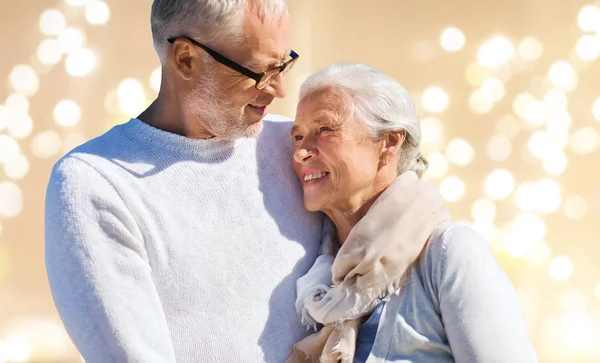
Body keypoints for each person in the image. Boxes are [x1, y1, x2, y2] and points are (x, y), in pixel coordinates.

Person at [45, 1, 423, 362]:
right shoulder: (96, 183)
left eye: (284, 64)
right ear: (186, 59)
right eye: (261, 71)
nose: (279, 90)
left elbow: (408, 227)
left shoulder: (296, 147)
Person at [287, 63, 537, 363]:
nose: (301, 152)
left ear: (390, 142)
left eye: (325, 129)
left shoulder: (449, 252)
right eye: (298, 137)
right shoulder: (315, 274)